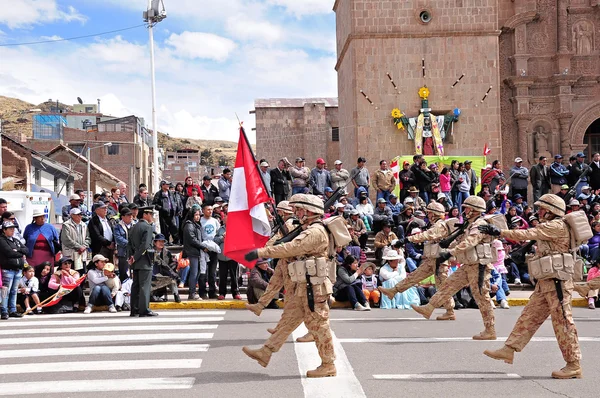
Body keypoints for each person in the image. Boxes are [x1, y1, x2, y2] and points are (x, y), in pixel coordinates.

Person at [480, 193, 582, 379]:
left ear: (552, 211)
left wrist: (499, 232)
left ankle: (573, 364)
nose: (540, 211)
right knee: (529, 315)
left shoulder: (556, 226)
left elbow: (527, 234)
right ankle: (509, 348)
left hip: (558, 284)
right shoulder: (550, 225)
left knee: (563, 323)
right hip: (546, 282)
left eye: (543, 208)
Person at [242, 194, 337, 378]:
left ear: (309, 211)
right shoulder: (307, 228)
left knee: (319, 325)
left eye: (299, 210)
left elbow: (290, 248)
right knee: (289, 320)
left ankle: (328, 364)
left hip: (314, 289)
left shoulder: (315, 232)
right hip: (305, 286)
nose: (296, 213)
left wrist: (260, 252)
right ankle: (266, 351)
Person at [412, 196, 496, 340]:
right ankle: (429, 307)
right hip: (468, 265)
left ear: (474, 210)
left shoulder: (480, 224)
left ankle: (490, 330)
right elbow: (461, 241)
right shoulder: (469, 224)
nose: (464, 210)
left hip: (479, 267)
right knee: (448, 285)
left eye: (467, 208)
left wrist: (450, 252)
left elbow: (470, 242)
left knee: (481, 297)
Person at [379, 202, 456, 320]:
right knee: (414, 276)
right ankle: (393, 291)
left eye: (429, 212)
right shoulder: (435, 225)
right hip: (432, 259)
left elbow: (425, 236)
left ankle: (449, 311)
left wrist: (406, 240)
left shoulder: (439, 226)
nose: (428, 215)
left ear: (434, 214)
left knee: (442, 287)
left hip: (440, 261)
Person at [127, 206, 158, 317]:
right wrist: (135, 256)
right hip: (145, 260)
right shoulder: (148, 227)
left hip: (136, 261)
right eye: (150, 214)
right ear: (145, 214)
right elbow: (145, 245)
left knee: (136, 285)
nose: (152, 217)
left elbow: (129, 244)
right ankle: (144, 309)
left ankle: (134, 309)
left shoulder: (133, 227)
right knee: (145, 285)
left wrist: (131, 257)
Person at [0, 221, 29, 319]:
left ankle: (13, 310)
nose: (12, 230)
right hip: (7, 269)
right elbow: (9, 253)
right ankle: (4, 310)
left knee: (14, 290)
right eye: (10, 229)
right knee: (5, 291)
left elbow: (26, 250)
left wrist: (18, 250)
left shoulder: (16, 240)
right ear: (4, 230)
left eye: (13, 228)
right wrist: (20, 253)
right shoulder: (2, 240)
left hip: (18, 269)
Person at [214, 212, 240, 300]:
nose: (224, 218)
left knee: (234, 275)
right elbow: (215, 240)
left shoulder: (236, 228)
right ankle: (222, 293)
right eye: (224, 216)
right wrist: (222, 238)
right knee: (222, 275)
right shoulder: (220, 229)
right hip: (222, 255)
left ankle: (235, 292)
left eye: (225, 216)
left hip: (233, 255)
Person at [60, 208, 91, 276]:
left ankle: (81, 286)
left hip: (82, 254)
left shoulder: (84, 225)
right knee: (71, 273)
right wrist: (79, 247)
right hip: (71, 254)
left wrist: (84, 246)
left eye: (81, 214)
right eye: (78, 214)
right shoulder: (66, 225)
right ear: (72, 215)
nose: (80, 216)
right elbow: (66, 239)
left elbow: (88, 238)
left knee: (82, 273)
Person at [182, 208, 205, 300]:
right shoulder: (189, 225)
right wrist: (203, 247)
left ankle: (193, 291)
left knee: (197, 272)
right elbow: (192, 239)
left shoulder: (196, 225)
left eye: (199, 215)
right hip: (192, 252)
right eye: (196, 215)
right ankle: (192, 293)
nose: (198, 217)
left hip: (197, 252)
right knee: (194, 273)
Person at [151, 234, 181, 303]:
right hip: (153, 276)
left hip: (164, 275)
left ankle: (176, 295)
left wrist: (172, 269)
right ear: (155, 242)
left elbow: (172, 263)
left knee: (172, 280)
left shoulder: (167, 253)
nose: (161, 243)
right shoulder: (151, 252)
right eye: (159, 241)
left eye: (163, 241)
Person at [200, 204, 221, 299]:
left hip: (214, 248)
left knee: (212, 272)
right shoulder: (200, 221)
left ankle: (212, 291)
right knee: (203, 271)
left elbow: (218, 233)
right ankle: (202, 291)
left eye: (211, 209)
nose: (210, 211)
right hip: (203, 249)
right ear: (203, 210)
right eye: (208, 209)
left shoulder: (215, 221)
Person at [114, 207, 134, 282]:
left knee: (133, 273)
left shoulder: (135, 225)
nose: (130, 217)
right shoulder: (118, 226)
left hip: (134, 252)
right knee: (123, 272)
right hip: (123, 253)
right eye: (128, 215)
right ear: (122, 217)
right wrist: (129, 244)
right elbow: (118, 238)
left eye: (131, 215)